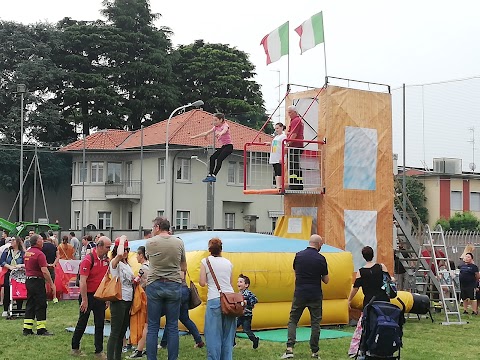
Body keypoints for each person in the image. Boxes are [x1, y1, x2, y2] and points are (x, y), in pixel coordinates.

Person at [281, 234, 329, 359]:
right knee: (315, 323)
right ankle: (314, 352)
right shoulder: (321, 259)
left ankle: (290, 348)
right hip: (315, 294)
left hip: (300, 293)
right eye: (321, 245)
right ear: (318, 244)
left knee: (293, 320)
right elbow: (326, 280)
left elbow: (296, 272)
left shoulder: (298, 256)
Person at [145, 217, 186, 360]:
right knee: (173, 326)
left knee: (153, 326)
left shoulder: (150, 242)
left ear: (157, 227)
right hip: (174, 284)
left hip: (155, 284)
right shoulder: (179, 242)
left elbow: (148, 258)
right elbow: (183, 266)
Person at [347, 246, 391, 358]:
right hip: (383, 300)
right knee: (384, 323)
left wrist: (349, 300)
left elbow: (356, 288)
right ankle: (384, 346)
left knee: (366, 325)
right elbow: (388, 281)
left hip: (369, 302)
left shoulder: (361, 272)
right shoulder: (381, 267)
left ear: (363, 256)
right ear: (373, 254)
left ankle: (360, 347)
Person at [71, 236, 112, 359]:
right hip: (87, 295)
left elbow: (107, 280)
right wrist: (84, 300)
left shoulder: (107, 260)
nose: (109, 250)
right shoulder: (88, 259)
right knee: (82, 322)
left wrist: (107, 298)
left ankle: (99, 351)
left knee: (100, 324)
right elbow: (83, 281)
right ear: (99, 246)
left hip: (99, 296)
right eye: (107, 247)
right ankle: (75, 347)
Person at [199, 237, 236, 360]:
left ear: (209, 249)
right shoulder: (228, 263)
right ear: (221, 249)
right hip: (230, 301)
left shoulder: (205, 262)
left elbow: (202, 282)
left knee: (213, 336)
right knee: (228, 336)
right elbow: (230, 283)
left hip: (215, 299)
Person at [158, 269, 205, 350]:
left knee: (171, 318)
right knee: (184, 318)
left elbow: (180, 276)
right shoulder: (181, 261)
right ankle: (199, 341)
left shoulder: (176, 262)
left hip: (178, 291)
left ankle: (164, 343)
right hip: (184, 290)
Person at [22, 234, 56, 336]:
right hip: (37, 281)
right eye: (41, 240)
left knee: (30, 304)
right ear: (37, 242)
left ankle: (27, 329)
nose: (43, 242)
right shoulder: (40, 254)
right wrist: (51, 283)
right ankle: (41, 329)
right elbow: (44, 271)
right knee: (41, 304)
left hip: (29, 280)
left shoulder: (28, 252)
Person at [107, 236, 134, 360]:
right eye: (124, 249)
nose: (126, 252)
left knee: (122, 332)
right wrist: (122, 239)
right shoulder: (115, 262)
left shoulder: (127, 264)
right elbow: (118, 254)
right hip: (118, 300)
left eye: (128, 250)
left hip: (128, 300)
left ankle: (117, 357)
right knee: (115, 332)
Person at [190, 113, 233, 183]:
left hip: (229, 147)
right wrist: (194, 137)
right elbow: (206, 133)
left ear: (221, 120)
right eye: (213, 121)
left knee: (219, 159)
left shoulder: (225, 125)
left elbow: (224, 130)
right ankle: (210, 174)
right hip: (223, 147)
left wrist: (220, 133)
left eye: (216, 120)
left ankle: (214, 176)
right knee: (212, 158)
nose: (214, 122)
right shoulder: (215, 127)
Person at [129, 246, 150, 358]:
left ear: (141, 255)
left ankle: (139, 349)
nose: (136, 256)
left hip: (145, 297)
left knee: (145, 324)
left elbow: (136, 282)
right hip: (153, 297)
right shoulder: (151, 265)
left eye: (137, 254)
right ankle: (148, 346)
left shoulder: (143, 268)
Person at [0, 237, 25, 316]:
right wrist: (9, 266)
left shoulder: (22, 253)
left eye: (13, 240)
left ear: (18, 242)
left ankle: (19, 309)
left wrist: (20, 265)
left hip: (19, 274)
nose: (11, 241)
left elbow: (26, 262)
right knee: (7, 290)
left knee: (19, 291)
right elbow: (2, 261)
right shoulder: (7, 251)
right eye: (11, 240)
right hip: (9, 273)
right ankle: (5, 309)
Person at [234, 274, 259, 349]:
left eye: (241, 282)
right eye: (238, 282)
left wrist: (246, 302)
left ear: (246, 285)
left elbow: (255, 300)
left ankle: (255, 340)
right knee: (233, 329)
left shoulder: (248, 293)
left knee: (246, 330)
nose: (238, 283)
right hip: (239, 315)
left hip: (246, 316)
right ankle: (232, 343)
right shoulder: (238, 294)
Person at [286, 105, 304, 190]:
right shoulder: (296, 120)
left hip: (295, 146)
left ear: (294, 112)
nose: (288, 114)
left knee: (293, 165)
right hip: (297, 145)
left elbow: (294, 134)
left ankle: (294, 184)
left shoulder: (296, 120)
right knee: (295, 165)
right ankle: (298, 184)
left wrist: (288, 144)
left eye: (290, 112)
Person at [267, 122, 287, 190]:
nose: (276, 130)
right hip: (274, 156)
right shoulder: (276, 136)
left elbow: (285, 146)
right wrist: (270, 144)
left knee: (279, 171)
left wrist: (282, 157)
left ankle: (279, 186)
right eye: (275, 128)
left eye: (277, 128)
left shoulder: (283, 136)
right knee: (276, 171)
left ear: (282, 128)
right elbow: (276, 144)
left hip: (279, 156)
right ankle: (277, 185)